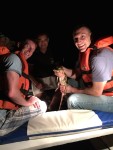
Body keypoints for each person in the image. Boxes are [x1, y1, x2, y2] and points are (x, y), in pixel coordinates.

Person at [52, 25, 113, 113]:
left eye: (82, 37)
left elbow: (96, 92)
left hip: (110, 98)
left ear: (90, 36)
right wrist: (62, 69)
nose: (78, 42)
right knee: (69, 82)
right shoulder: (86, 52)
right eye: (75, 39)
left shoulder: (99, 58)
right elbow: (78, 74)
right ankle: (55, 109)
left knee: (73, 100)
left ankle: (77, 122)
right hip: (99, 92)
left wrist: (71, 90)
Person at [0, 39, 47, 137]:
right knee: (42, 106)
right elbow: (12, 93)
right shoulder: (14, 59)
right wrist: (28, 103)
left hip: (6, 110)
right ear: (19, 44)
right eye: (27, 46)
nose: (29, 51)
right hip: (1, 119)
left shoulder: (15, 61)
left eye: (32, 50)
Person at [28, 33, 62, 105]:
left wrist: (60, 80)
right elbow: (28, 72)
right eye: (40, 40)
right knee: (40, 103)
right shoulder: (33, 53)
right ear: (37, 41)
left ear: (48, 40)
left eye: (45, 40)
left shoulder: (54, 52)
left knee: (56, 101)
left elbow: (59, 68)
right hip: (38, 80)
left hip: (52, 80)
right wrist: (36, 82)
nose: (43, 43)